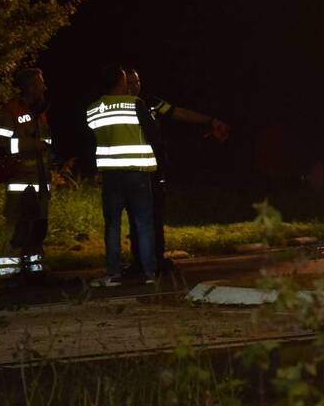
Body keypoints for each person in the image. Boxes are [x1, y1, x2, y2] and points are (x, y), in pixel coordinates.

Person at [123, 67, 230, 276]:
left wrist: (210, 121)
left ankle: (157, 259)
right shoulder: (118, 106)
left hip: (153, 167)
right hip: (130, 169)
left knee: (155, 213)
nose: (134, 87)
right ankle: (140, 261)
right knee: (136, 215)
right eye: (129, 83)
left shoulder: (150, 102)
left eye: (137, 82)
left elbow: (176, 112)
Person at [86, 65, 159, 286]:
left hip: (111, 175)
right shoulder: (135, 103)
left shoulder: (93, 108)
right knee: (143, 223)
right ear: (120, 82)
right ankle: (149, 273)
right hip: (137, 172)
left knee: (112, 224)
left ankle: (113, 273)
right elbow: (153, 132)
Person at [0, 68, 52, 280]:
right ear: (30, 87)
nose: (44, 87)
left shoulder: (40, 112)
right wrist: (31, 144)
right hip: (19, 179)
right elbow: (1, 142)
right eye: (40, 83)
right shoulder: (10, 111)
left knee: (37, 228)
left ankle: (35, 270)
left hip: (40, 179)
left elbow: (47, 142)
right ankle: (9, 272)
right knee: (16, 227)